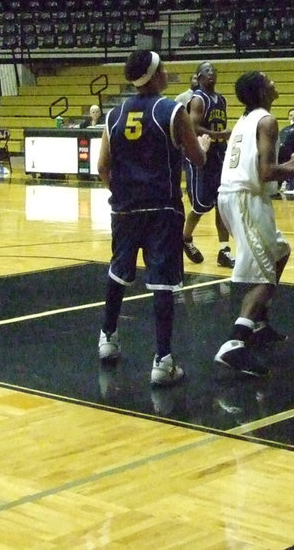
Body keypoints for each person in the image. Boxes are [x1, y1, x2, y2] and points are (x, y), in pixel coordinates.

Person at [97, 49, 209, 386]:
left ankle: (107, 337)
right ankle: (162, 360)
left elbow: (103, 165)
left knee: (119, 271)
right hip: (162, 207)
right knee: (162, 281)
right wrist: (202, 142)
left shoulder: (114, 114)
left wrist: (121, 192)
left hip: (126, 208)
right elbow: (197, 159)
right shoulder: (172, 110)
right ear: (156, 74)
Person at [213, 71, 294, 376]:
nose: (274, 81)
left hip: (238, 195)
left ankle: (259, 324)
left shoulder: (248, 119)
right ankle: (234, 345)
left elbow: (264, 167)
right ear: (261, 92)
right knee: (264, 277)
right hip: (246, 198)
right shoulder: (268, 121)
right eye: (268, 80)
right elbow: (265, 173)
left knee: (279, 252)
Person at [181, 61, 234, 269]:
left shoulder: (221, 99)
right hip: (199, 155)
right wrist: (219, 134)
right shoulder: (198, 100)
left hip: (218, 154)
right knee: (201, 205)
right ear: (199, 77)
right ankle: (185, 237)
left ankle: (224, 250)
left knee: (222, 202)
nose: (211, 73)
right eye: (206, 71)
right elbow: (192, 129)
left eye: (213, 71)